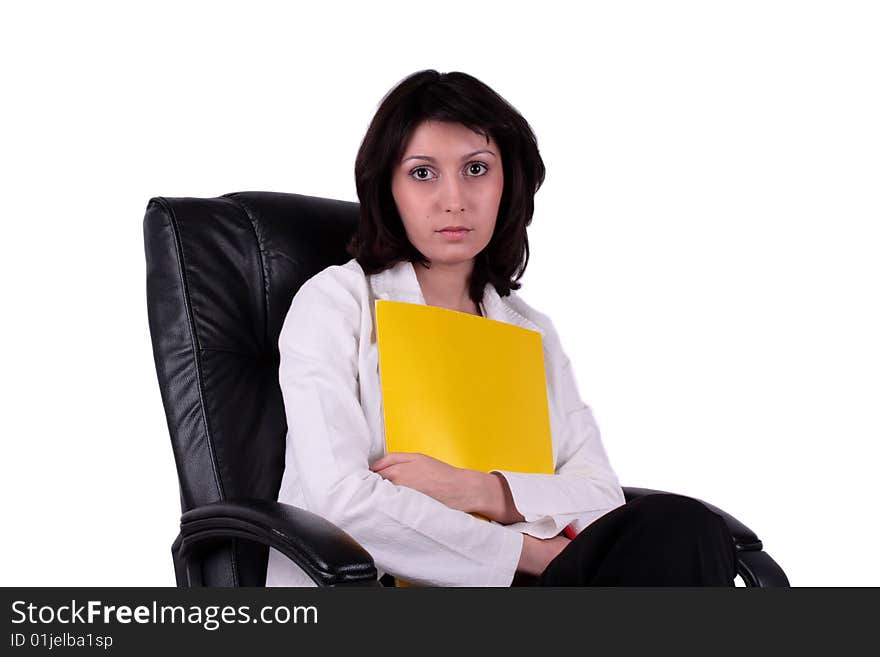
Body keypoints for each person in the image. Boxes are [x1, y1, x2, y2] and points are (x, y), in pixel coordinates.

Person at [265, 70, 737, 587]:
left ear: (507, 183)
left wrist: (484, 492)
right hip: (380, 588)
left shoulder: (530, 330)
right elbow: (345, 505)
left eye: (476, 169)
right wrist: (531, 551)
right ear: (388, 188)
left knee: (684, 525)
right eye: (423, 173)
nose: (454, 199)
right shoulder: (336, 304)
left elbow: (599, 495)